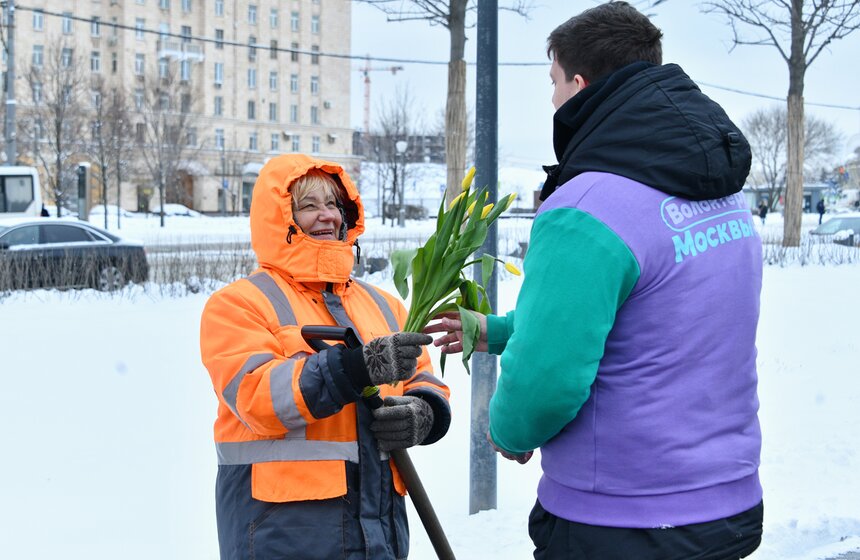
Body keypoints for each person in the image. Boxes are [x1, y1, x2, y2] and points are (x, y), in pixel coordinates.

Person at [425, 3, 763, 559]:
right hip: (726, 506)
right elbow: (659, 317)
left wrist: (510, 430)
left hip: (621, 519)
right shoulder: (721, 195)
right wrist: (502, 330)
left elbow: (548, 379)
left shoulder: (586, 206)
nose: (552, 99)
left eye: (553, 82)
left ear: (579, 85)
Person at [200, 154, 451, 560]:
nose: (327, 215)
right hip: (284, 535)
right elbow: (257, 396)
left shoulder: (383, 305)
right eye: (308, 205)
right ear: (280, 218)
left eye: (334, 204)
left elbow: (422, 377)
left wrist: (425, 412)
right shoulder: (239, 305)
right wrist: (353, 367)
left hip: (379, 535)